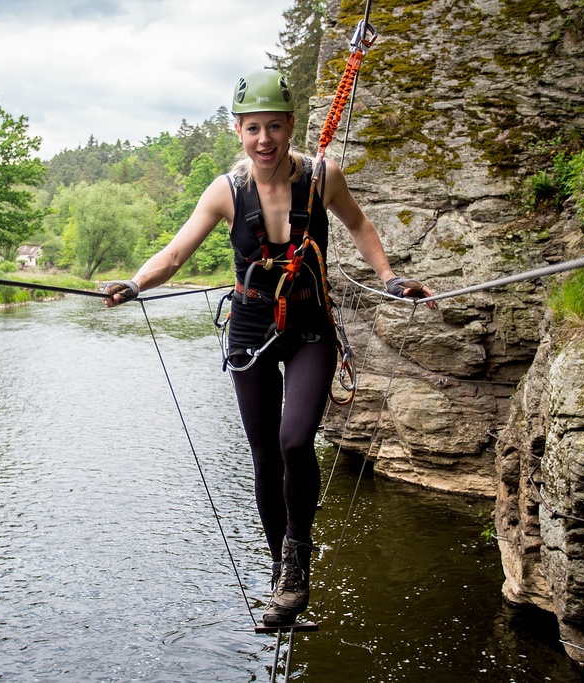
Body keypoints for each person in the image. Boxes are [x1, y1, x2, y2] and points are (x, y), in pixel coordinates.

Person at [103, 68, 435, 627]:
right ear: (238, 131)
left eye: (274, 128)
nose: (264, 140)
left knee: (294, 439)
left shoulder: (322, 177)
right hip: (252, 329)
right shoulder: (226, 191)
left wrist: (389, 278)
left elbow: (359, 225)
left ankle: (298, 557)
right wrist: (136, 283)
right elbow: (176, 253)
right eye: (253, 128)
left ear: (290, 127)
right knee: (263, 454)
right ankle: (282, 568)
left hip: (310, 324)